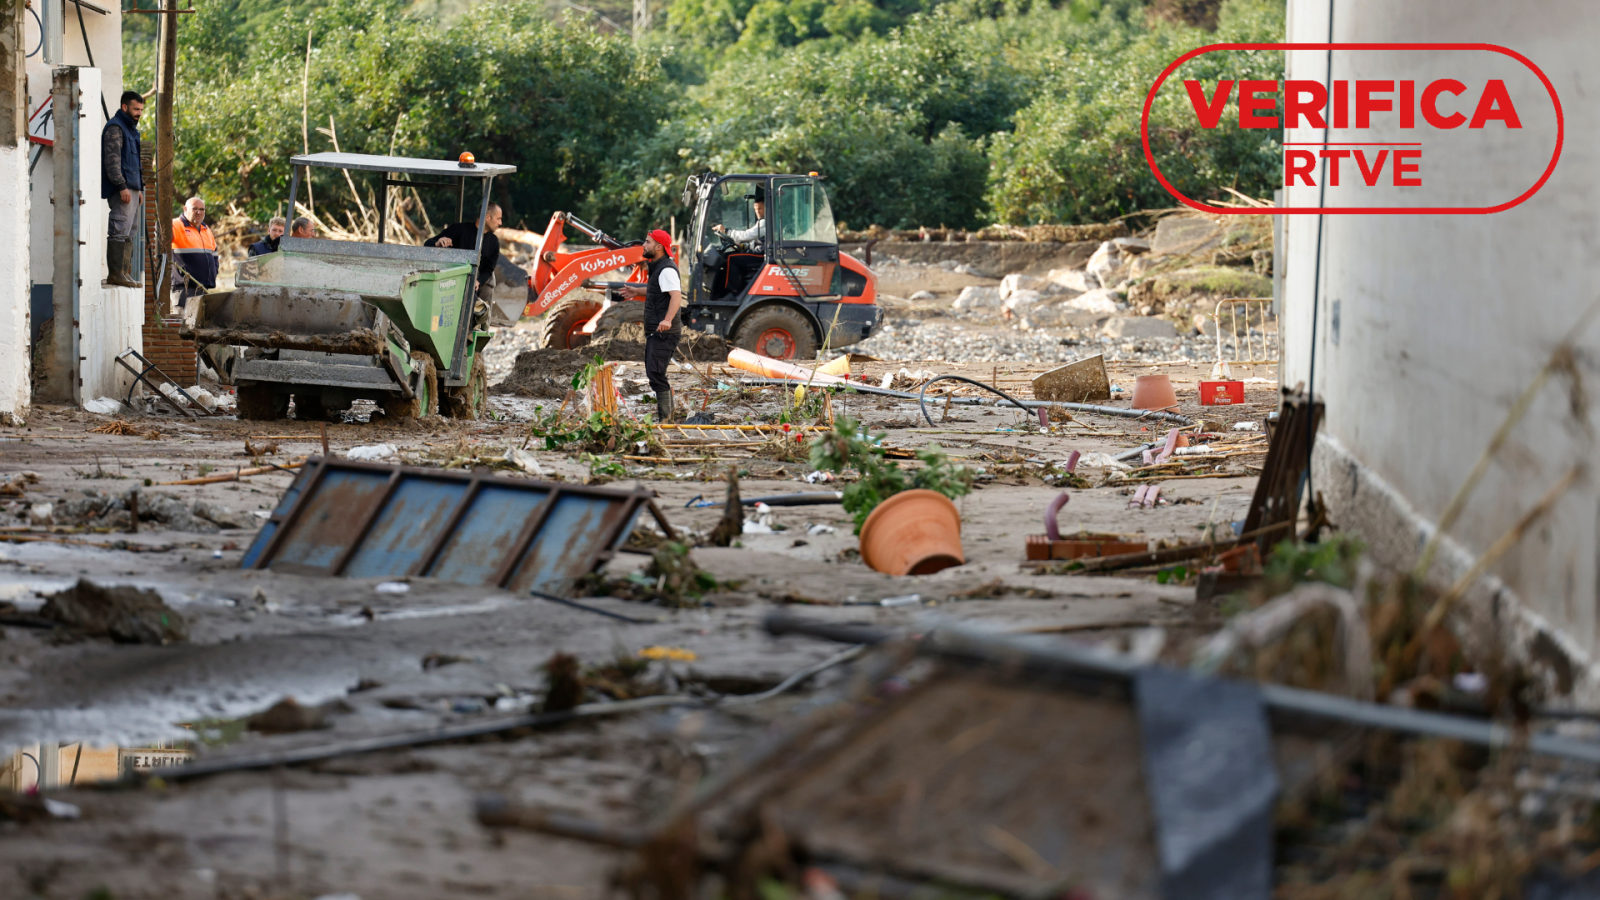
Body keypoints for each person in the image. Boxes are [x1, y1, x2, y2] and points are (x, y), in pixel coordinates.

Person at [619, 229, 682, 423]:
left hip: (664, 330)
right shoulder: (659, 267)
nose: (643, 245)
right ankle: (667, 416)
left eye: (647, 242)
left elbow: (676, 296)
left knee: (655, 373)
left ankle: (666, 419)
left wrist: (667, 319)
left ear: (659, 247)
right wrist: (636, 290)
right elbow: (657, 290)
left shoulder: (667, 269)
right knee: (655, 372)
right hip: (657, 330)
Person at [101, 90, 144, 288]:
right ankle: (115, 274)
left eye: (141, 109)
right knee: (119, 230)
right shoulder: (115, 128)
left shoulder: (131, 130)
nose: (139, 113)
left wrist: (139, 188)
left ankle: (123, 273)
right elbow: (112, 161)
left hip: (132, 189)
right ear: (124, 107)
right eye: (136, 109)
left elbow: (134, 163)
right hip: (123, 190)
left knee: (130, 231)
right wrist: (122, 186)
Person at [424, 203, 502, 303]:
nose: (500, 223)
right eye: (498, 218)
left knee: (489, 282)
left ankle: (481, 315)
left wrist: (478, 282)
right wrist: (437, 243)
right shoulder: (459, 229)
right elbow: (427, 244)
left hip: (476, 285)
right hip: (452, 282)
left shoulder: (494, 242)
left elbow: (489, 269)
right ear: (487, 217)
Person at [171, 197, 219, 310]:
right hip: (184, 287)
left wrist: (214, 272)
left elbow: (214, 254)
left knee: (200, 325)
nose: (199, 212)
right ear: (185, 209)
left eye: (202, 209)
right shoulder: (175, 225)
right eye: (195, 209)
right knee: (183, 323)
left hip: (203, 286)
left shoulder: (205, 229)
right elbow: (159, 244)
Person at [712, 185, 766, 250]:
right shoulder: (761, 222)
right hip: (758, 251)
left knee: (730, 258)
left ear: (766, 208)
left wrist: (726, 231)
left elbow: (746, 236)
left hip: (762, 255)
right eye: (755, 209)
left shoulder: (765, 222)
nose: (757, 211)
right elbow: (754, 242)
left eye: (760, 209)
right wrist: (743, 246)